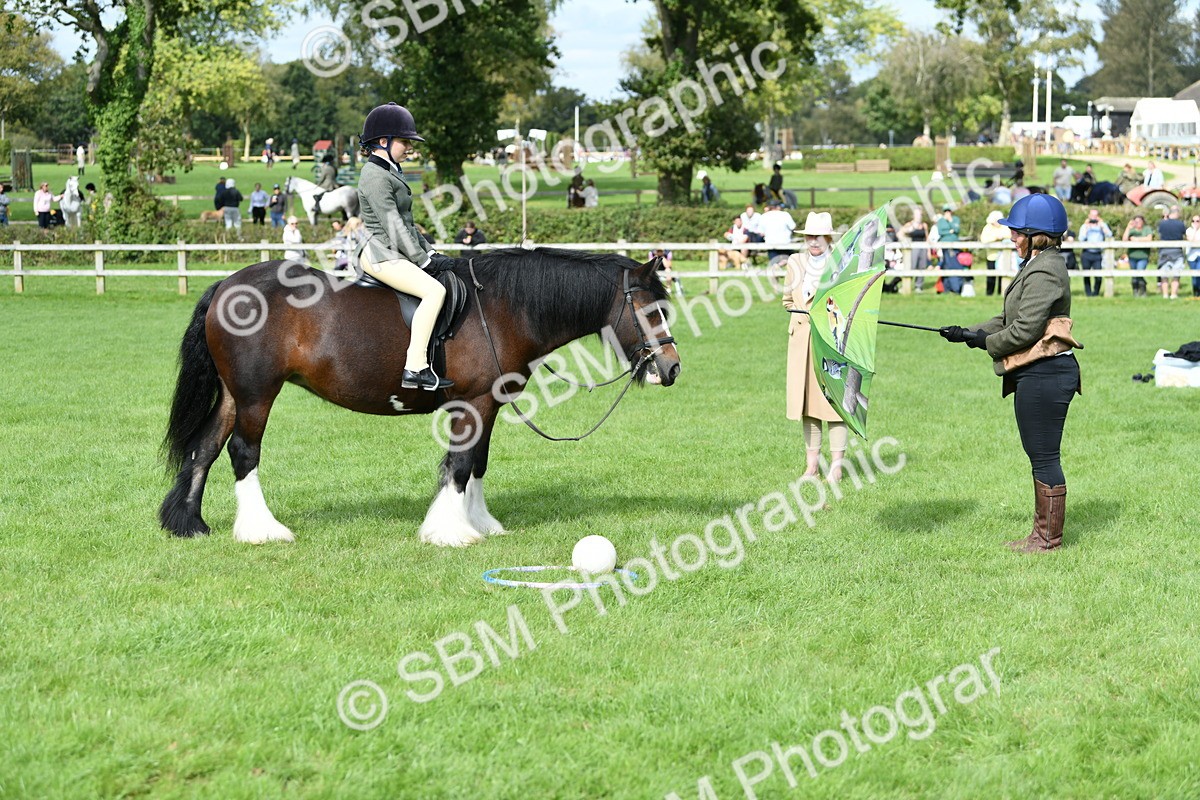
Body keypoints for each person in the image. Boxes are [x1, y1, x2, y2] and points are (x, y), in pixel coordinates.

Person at [939, 193, 1081, 553]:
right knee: (1039, 453)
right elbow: (1007, 321)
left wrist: (986, 343)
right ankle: (1041, 535)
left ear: (1037, 235)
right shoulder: (1035, 265)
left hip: (1047, 373)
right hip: (1037, 373)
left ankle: (1047, 539)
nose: (1012, 237)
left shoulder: (1047, 269)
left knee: (1044, 455)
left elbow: (1026, 330)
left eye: (1018, 232)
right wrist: (968, 333)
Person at [355, 102, 452, 391]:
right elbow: (392, 224)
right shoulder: (374, 175)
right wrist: (423, 262)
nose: (409, 147)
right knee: (435, 291)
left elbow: (408, 223)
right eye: (405, 142)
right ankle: (415, 367)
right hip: (381, 253)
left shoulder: (390, 170)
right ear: (382, 142)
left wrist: (430, 252)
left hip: (394, 249)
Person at [782, 211, 847, 483]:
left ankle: (837, 466)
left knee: (832, 403)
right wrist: (800, 312)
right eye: (809, 236)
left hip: (831, 342)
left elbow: (848, 301)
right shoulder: (795, 262)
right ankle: (811, 467)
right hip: (800, 342)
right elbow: (787, 299)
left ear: (828, 237)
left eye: (818, 236)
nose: (813, 242)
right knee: (806, 405)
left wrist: (828, 315)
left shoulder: (840, 262)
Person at [1077, 208, 1112, 298]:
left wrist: (1102, 225)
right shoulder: (1084, 226)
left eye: (1095, 216)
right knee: (1086, 275)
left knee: (1098, 276)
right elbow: (1081, 239)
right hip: (1087, 253)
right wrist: (1087, 227)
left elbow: (1109, 234)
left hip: (1097, 253)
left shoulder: (1102, 226)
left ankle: (1096, 293)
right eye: (1092, 216)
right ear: (1089, 216)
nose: (1093, 218)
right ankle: (1088, 294)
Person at [1156, 207, 1187, 300]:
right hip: (1177, 251)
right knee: (1176, 274)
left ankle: (1165, 294)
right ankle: (1173, 294)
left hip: (1164, 251)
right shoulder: (1181, 224)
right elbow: (1183, 234)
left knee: (1164, 274)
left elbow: (1160, 233)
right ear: (1177, 213)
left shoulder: (1162, 224)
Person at [979, 210, 1010, 296]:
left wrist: (1002, 237)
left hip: (1003, 256)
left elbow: (1009, 236)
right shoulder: (987, 227)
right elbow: (984, 239)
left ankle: (1001, 293)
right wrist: (995, 238)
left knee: (1002, 276)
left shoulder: (1004, 227)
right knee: (991, 276)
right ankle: (989, 293)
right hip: (991, 256)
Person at [900, 208, 930, 292]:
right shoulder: (909, 225)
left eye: (920, 215)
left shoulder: (924, 225)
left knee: (922, 266)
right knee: (911, 266)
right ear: (914, 216)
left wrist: (928, 250)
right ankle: (906, 285)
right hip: (913, 248)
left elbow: (926, 238)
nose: (918, 217)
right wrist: (905, 240)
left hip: (923, 248)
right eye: (917, 215)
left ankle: (918, 286)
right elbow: (900, 234)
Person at [759, 199, 796, 265]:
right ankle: (780, 264)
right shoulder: (785, 215)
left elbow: (761, 233)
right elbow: (793, 227)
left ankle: (776, 266)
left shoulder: (764, 216)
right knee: (789, 259)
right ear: (778, 207)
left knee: (774, 260)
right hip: (785, 242)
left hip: (770, 243)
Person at [1123, 215, 1152, 296]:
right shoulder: (1131, 230)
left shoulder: (1146, 229)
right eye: (1136, 221)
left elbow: (1149, 239)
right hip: (1132, 255)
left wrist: (1137, 239)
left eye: (1139, 221)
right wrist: (1128, 228)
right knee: (1134, 275)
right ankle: (1135, 291)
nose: (1138, 223)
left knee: (1140, 272)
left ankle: (1143, 290)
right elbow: (1124, 240)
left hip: (1143, 256)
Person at [936, 204, 963, 294]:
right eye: (945, 211)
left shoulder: (955, 219)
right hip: (945, 246)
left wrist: (950, 222)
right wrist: (950, 231)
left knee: (954, 264)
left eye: (949, 211)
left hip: (955, 245)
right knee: (946, 264)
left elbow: (957, 230)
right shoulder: (941, 221)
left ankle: (956, 287)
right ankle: (946, 287)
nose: (947, 213)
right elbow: (941, 232)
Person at [1186, 212, 1200, 297]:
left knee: (1199, 272)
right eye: (1193, 221)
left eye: (1197, 221)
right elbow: (1191, 241)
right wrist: (1195, 230)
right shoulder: (1189, 230)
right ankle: (1195, 292)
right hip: (1191, 256)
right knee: (1194, 276)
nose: (1195, 223)